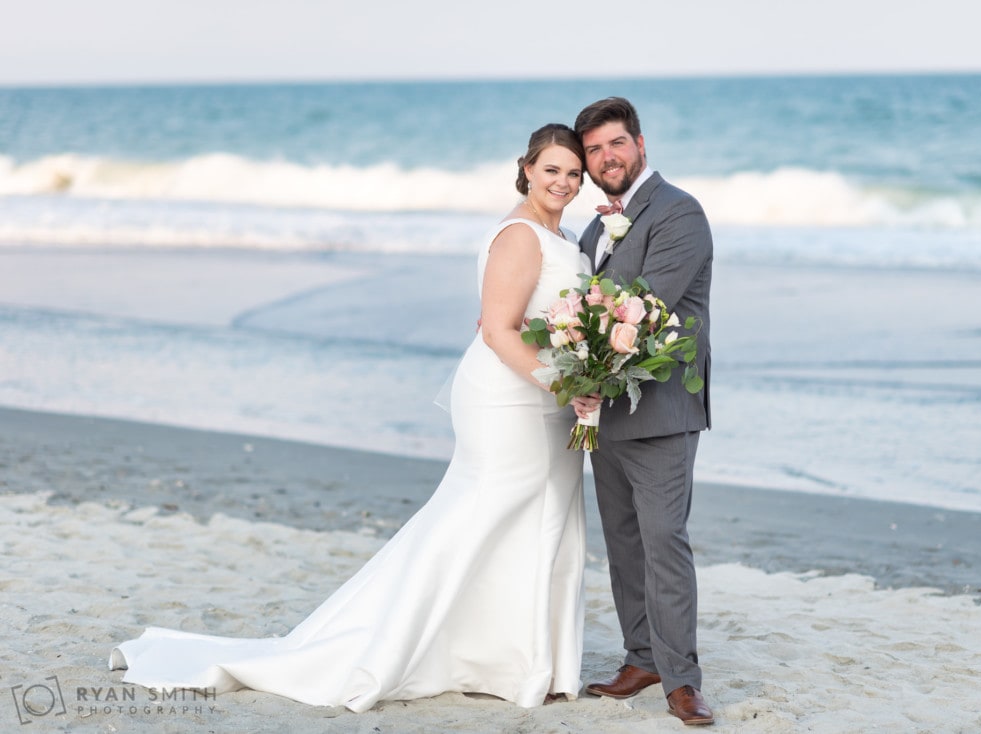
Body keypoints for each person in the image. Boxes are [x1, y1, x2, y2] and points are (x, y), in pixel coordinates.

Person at [110, 123, 592, 711]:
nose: (563, 182)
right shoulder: (521, 235)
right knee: (480, 514)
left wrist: (578, 382)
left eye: (573, 173)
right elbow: (496, 330)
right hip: (510, 399)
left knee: (543, 519)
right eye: (552, 170)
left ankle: (515, 659)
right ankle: (408, 647)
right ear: (527, 169)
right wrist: (567, 384)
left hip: (549, 399)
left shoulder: (562, 234)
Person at [570, 97, 715, 726]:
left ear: (641, 146)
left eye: (616, 144)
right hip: (604, 414)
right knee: (623, 542)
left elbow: (647, 308)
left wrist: (591, 364)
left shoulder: (679, 212)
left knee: (663, 541)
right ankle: (642, 657)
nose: (607, 158)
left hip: (661, 408)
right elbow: (578, 310)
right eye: (595, 150)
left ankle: (681, 679)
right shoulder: (597, 228)